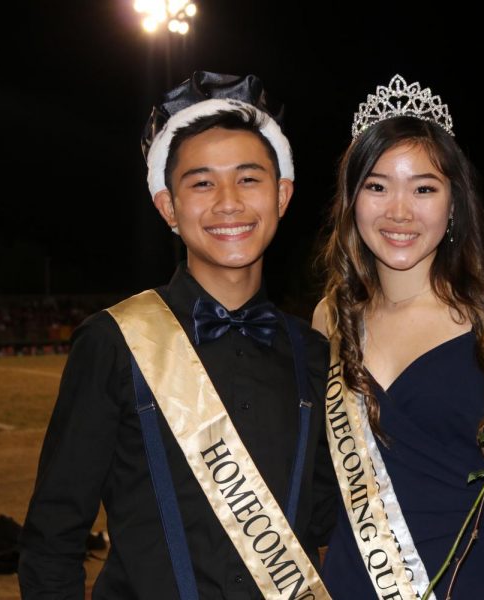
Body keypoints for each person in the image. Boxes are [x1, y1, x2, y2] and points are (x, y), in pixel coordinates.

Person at [18, 71, 337, 600]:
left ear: (282, 196)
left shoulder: (314, 354)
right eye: (202, 182)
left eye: (249, 178)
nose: (228, 202)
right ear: (169, 206)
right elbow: (54, 535)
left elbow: (327, 516)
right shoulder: (113, 342)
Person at [312, 75, 484, 599]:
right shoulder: (329, 319)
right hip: (353, 582)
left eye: (423, 188)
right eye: (377, 186)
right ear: (352, 199)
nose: (399, 211)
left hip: (467, 583)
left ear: (453, 204)